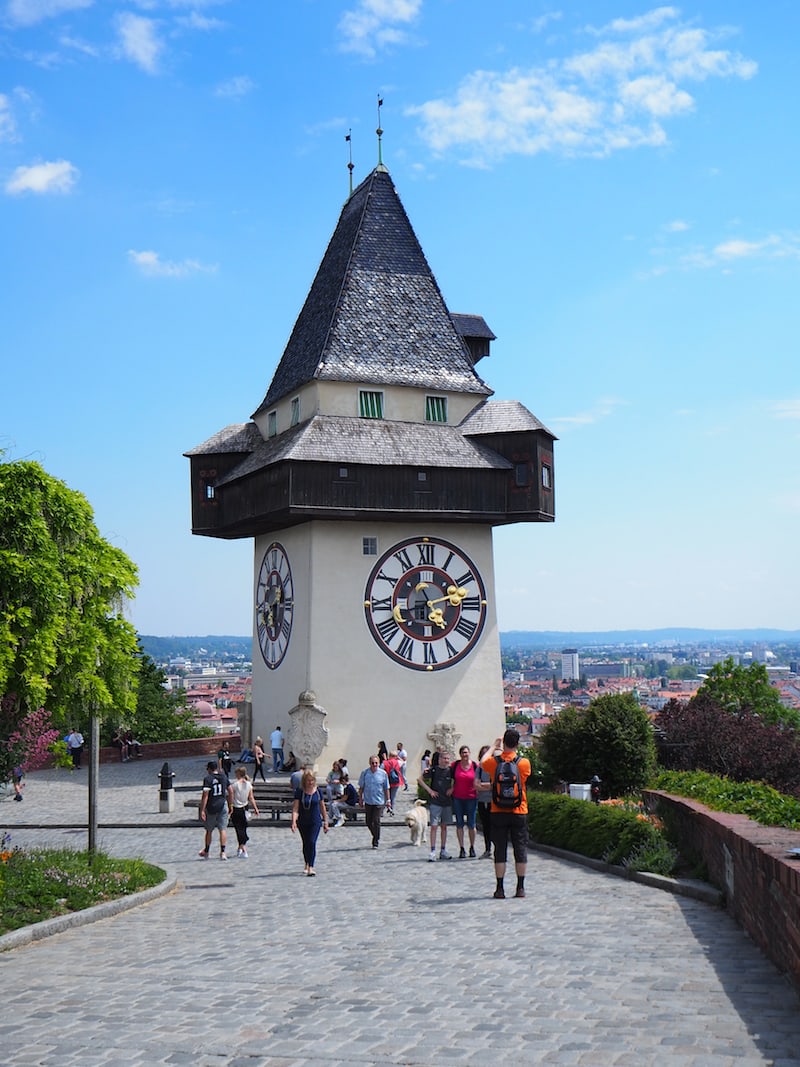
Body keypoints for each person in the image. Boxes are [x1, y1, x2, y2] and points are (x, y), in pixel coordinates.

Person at [481, 728, 531, 899]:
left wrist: (494, 746)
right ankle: (520, 887)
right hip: (519, 810)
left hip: (498, 810)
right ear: (517, 743)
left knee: (500, 850)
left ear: (503, 743)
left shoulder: (494, 762)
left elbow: (482, 761)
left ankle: (500, 888)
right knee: (520, 849)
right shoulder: (523, 763)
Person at [291, 769, 329, 875]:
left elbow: (322, 807)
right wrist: (294, 822)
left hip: (315, 821)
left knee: (312, 842)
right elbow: (295, 808)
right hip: (303, 821)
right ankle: (306, 863)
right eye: (308, 780)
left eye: (312, 780)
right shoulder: (300, 791)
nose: (310, 782)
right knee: (306, 843)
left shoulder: (318, 791)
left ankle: (311, 866)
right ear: (304, 781)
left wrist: (326, 821)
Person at [418, 751, 453, 861]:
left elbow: (458, 780)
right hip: (435, 802)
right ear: (439, 759)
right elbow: (420, 779)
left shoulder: (450, 771)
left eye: (447, 758)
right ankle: (432, 851)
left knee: (444, 826)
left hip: (447, 802)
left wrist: (453, 789)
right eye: (444, 758)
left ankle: (443, 850)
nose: (446, 760)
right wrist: (430, 791)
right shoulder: (434, 770)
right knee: (434, 826)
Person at [198, 760, 234, 861]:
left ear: (209, 769)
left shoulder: (208, 779)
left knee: (209, 830)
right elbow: (231, 791)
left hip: (211, 806)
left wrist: (202, 810)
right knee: (222, 829)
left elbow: (205, 796)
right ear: (217, 768)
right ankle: (223, 852)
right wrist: (231, 804)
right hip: (222, 805)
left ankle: (207, 852)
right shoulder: (223, 777)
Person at [451, 745, 479, 858]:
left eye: (466, 752)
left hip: (471, 797)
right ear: (460, 754)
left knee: (471, 824)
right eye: (463, 753)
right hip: (458, 797)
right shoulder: (455, 765)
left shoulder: (475, 766)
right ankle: (462, 848)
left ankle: (472, 847)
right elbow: (448, 776)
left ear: (469, 753)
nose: (465, 755)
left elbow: (480, 778)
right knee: (459, 824)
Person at [358, 754, 390, 849]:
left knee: (376, 820)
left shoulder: (383, 774)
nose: (374, 765)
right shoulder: (365, 773)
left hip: (379, 801)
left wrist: (388, 800)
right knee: (368, 821)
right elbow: (361, 787)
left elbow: (386, 788)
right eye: (373, 763)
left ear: (379, 763)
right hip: (368, 800)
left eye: (376, 763)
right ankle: (375, 834)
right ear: (369, 763)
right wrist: (360, 798)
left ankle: (375, 841)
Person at [230, 766, 259, 858]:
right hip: (245, 807)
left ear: (238, 774)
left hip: (236, 808)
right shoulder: (249, 784)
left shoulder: (234, 785)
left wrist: (230, 807)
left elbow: (231, 798)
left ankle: (243, 848)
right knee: (243, 828)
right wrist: (255, 808)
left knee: (239, 829)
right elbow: (251, 797)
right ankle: (240, 848)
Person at [476, 744, 493, 859]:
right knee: (485, 826)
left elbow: (496, 785)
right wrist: (489, 786)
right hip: (482, 801)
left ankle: (498, 849)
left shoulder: (495, 767)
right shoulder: (479, 769)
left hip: (494, 801)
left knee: (496, 826)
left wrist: (483, 785)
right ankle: (488, 849)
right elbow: (476, 785)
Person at [382, 750, 402, 815]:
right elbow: (403, 762)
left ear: (389, 755)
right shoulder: (398, 762)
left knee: (385, 797)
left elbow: (380, 770)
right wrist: (398, 758)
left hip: (386, 781)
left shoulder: (385, 763)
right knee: (392, 797)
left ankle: (381, 811)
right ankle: (391, 810)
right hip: (396, 782)